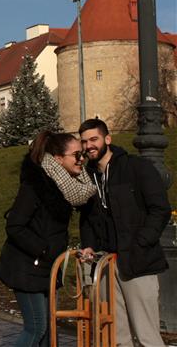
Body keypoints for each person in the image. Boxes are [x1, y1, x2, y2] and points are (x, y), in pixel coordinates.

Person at [0, 131, 95, 347]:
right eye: (76, 155)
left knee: (50, 331)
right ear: (58, 159)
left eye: (82, 155)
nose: (81, 159)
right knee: (37, 327)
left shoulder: (66, 188)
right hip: (27, 266)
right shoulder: (36, 186)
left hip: (49, 267)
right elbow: (15, 226)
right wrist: (43, 250)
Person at [77, 118, 171, 347]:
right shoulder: (88, 176)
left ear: (107, 139)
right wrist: (89, 245)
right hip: (105, 263)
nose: (89, 146)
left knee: (147, 336)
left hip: (138, 262)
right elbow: (87, 218)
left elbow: (160, 209)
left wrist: (142, 242)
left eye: (94, 139)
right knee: (117, 338)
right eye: (84, 142)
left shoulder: (136, 167)